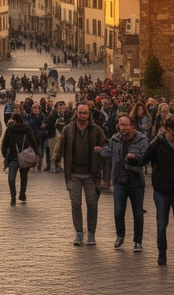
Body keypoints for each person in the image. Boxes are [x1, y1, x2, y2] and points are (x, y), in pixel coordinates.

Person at [141, 113, 174, 270]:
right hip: (161, 192)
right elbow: (144, 159)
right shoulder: (158, 144)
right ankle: (162, 251)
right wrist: (132, 159)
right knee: (162, 224)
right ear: (169, 130)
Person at [56, 102, 108, 246]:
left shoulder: (96, 130)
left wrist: (101, 151)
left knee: (92, 203)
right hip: (73, 173)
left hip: (91, 174)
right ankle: (79, 232)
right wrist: (56, 160)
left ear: (89, 114)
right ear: (76, 113)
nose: (82, 115)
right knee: (75, 203)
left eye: (85, 113)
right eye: (80, 112)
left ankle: (91, 233)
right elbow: (60, 147)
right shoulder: (68, 130)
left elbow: (106, 146)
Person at [100, 114, 149, 251]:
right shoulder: (115, 139)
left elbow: (146, 157)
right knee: (118, 212)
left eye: (126, 125)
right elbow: (109, 155)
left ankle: (138, 241)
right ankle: (120, 235)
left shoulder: (141, 139)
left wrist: (135, 158)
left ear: (132, 126)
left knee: (138, 213)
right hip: (120, 180)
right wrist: (107, 177)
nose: (123, 128)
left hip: (136, 181)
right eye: (121, 125)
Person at [1, 111, 38, 207]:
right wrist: (36, 153)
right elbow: (33, 141)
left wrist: (4, 154)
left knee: (11, 178)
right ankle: (22, 195)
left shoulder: (10, 129)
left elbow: (5, 143)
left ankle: (13, 197)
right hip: (25, 155)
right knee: (24, 176)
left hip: (13, 156)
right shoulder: (27, 128)